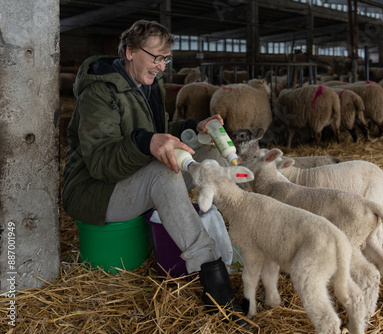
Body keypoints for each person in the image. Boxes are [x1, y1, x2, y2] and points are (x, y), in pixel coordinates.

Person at [62, 20, 248, 330]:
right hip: (94, 192)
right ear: (131, 52)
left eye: (166, 59)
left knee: (211, 155)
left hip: (130, 174)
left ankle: (237, 237)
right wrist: (146, 142)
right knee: (164, 175)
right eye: (156, 58)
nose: (161, 67)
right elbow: (100, 163)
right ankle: (213, 281)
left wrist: (194, 129)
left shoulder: (147, 84)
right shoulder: (99, 93)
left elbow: (158, 133)